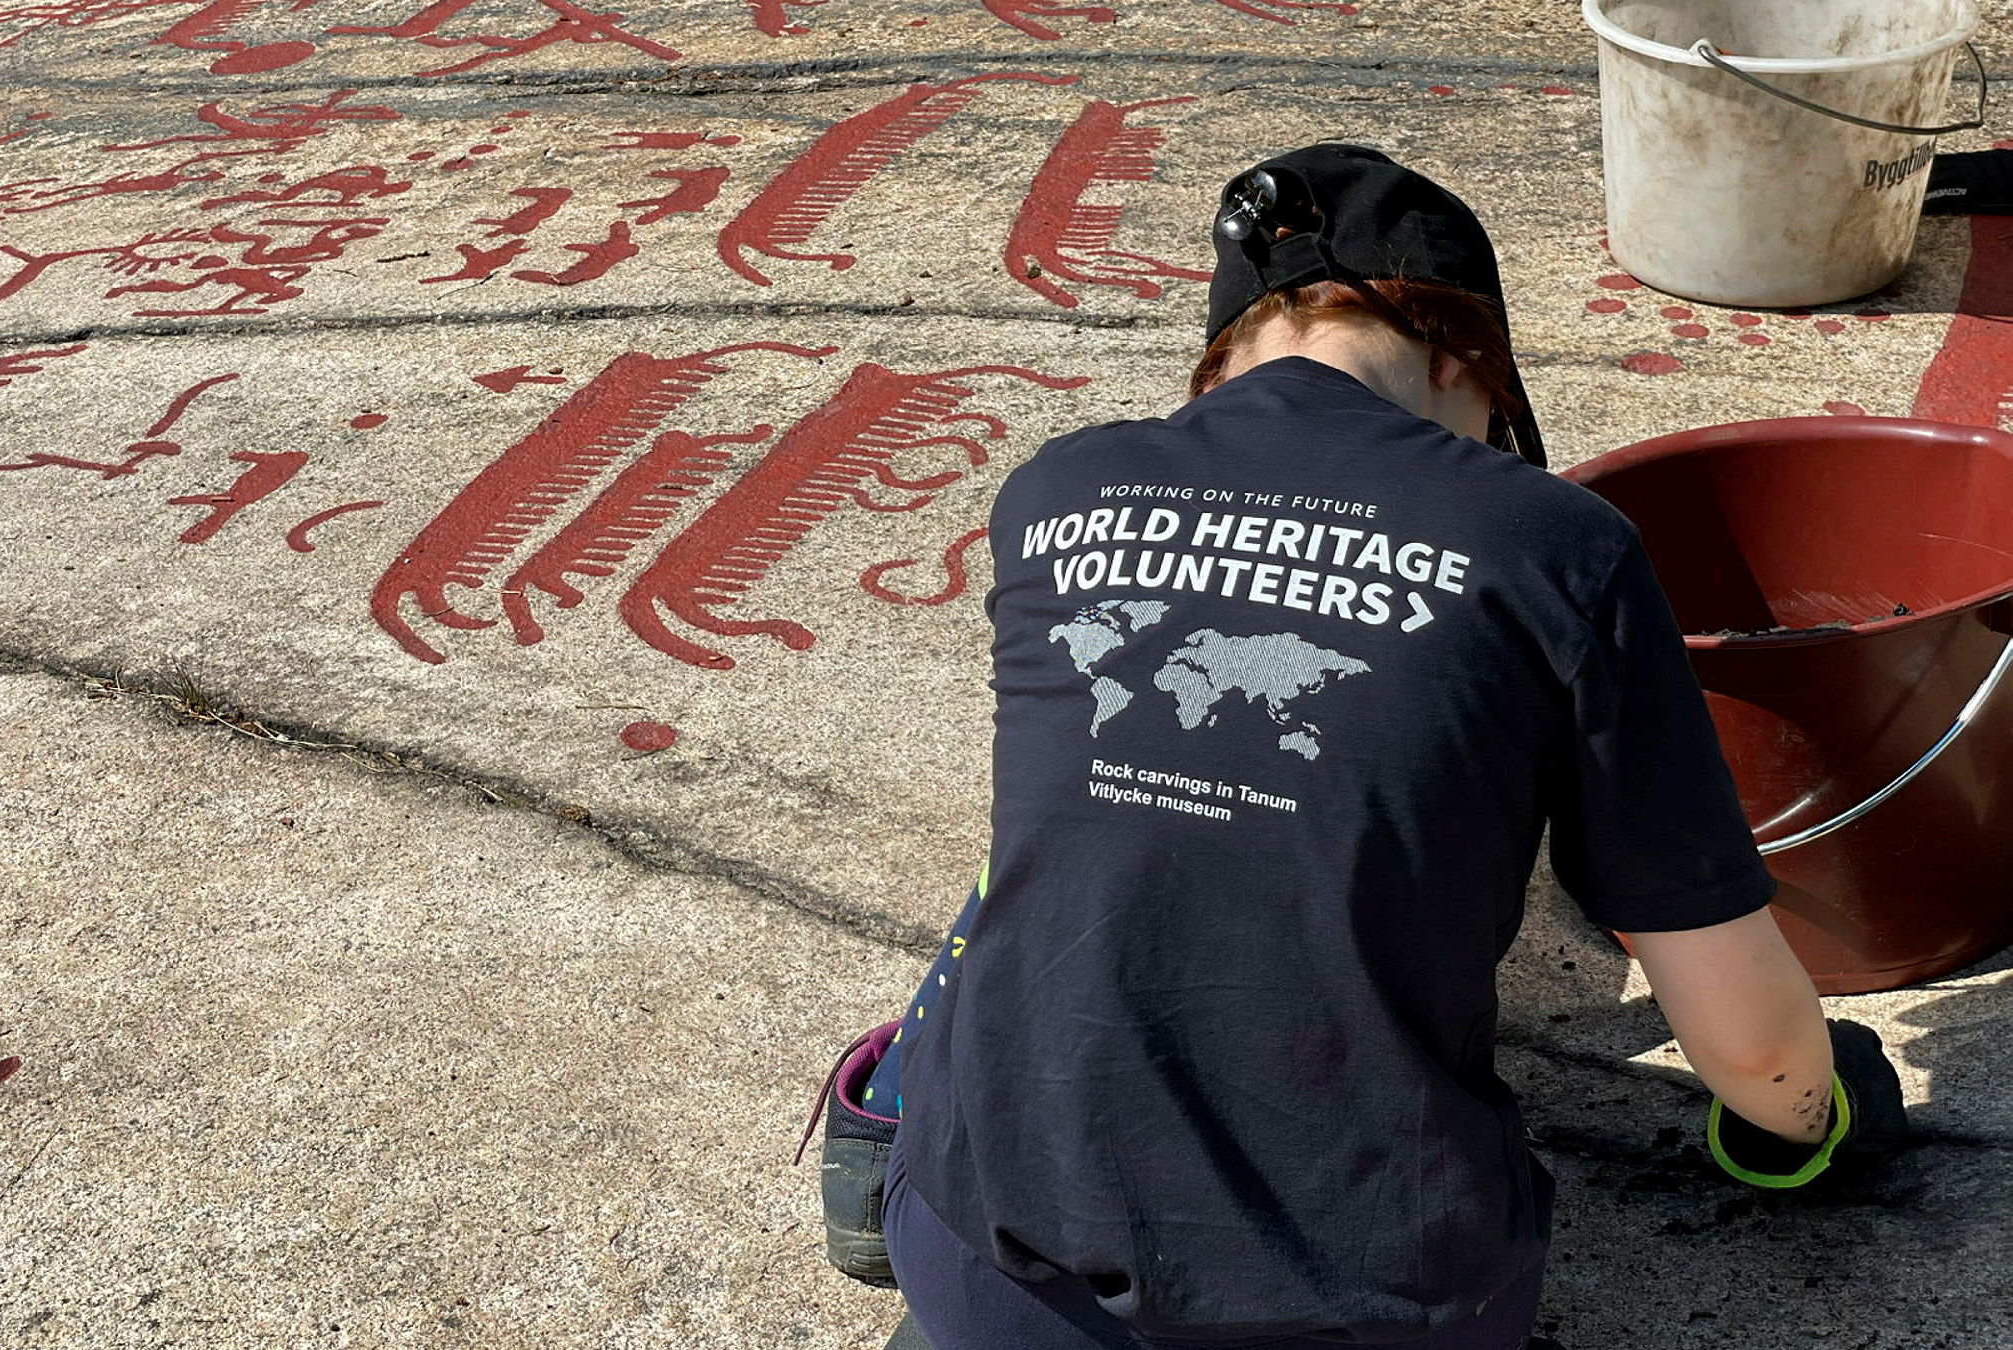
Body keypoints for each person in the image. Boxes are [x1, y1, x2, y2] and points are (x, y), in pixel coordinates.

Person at [807, 144, 1911, 1350]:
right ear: (1460, 363)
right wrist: (1812, 1113)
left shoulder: (1055, 489)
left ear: (1224, 360)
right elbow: (1750, 1044)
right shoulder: (1556, 543)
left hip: (980, 1261)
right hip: (1366, 1311)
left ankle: (899, 1148)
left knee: (1062, 834)